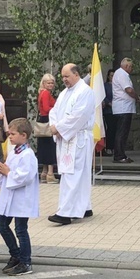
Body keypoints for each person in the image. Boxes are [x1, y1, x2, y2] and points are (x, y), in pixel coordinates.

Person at [47, 64, 96, 225]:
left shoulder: (85, 92)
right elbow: (53, 112)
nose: (64, 80)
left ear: (76, 74)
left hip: (78, 138)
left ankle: (66, 212)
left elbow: (78, 116)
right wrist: (55, 126)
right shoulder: (64, 93)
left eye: (66, 76)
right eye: (62, 77)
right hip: (66, 137)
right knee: (76, 174)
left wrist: (59, 128)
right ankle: (84, 206)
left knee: (72, 174)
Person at [0, 118, 40, 276]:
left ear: (24, 135)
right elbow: (10, 171)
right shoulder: (14, 151)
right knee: (1, 224)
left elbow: (25, 177)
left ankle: (25, 261)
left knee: (21, 229)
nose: (10, 136)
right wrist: (3, 171)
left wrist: (8, 173)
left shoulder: (28, 155)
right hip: (10, 196)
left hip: (21, 198)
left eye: (13, 134)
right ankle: (16, 254)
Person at [112, 58, 140, 163]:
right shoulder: (122, 74)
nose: (132, 69)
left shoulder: (119, 73)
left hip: (123, 107)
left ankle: (120, 153)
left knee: (121, 132)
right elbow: (128, 90)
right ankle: (119, 155)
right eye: (131, 66)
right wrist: (137, 97)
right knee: (121, 132)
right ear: (127, 66)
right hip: (123, 108)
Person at [37, 74, 58, 184]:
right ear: (44, 83)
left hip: (42, 121)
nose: (50, 84)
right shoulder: (46, 93)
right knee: (50, 146)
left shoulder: (41, 93)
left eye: (52, 82)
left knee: (44, 147)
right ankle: (50, 173)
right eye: (48, 82)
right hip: (48, 120)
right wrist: (57, 109)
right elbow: (46, 108)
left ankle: (44, 172)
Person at [103, 69, 116, 157]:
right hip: (108, 110)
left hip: (117, 110)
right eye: (111, 75)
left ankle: (114, 147)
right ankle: (108, 147)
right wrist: (108, 103)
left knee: (116, 129)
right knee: (110, 128)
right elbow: (103, 96)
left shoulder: (117, 85)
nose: (113, 77)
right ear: (108, 76)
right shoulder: (105, 85)